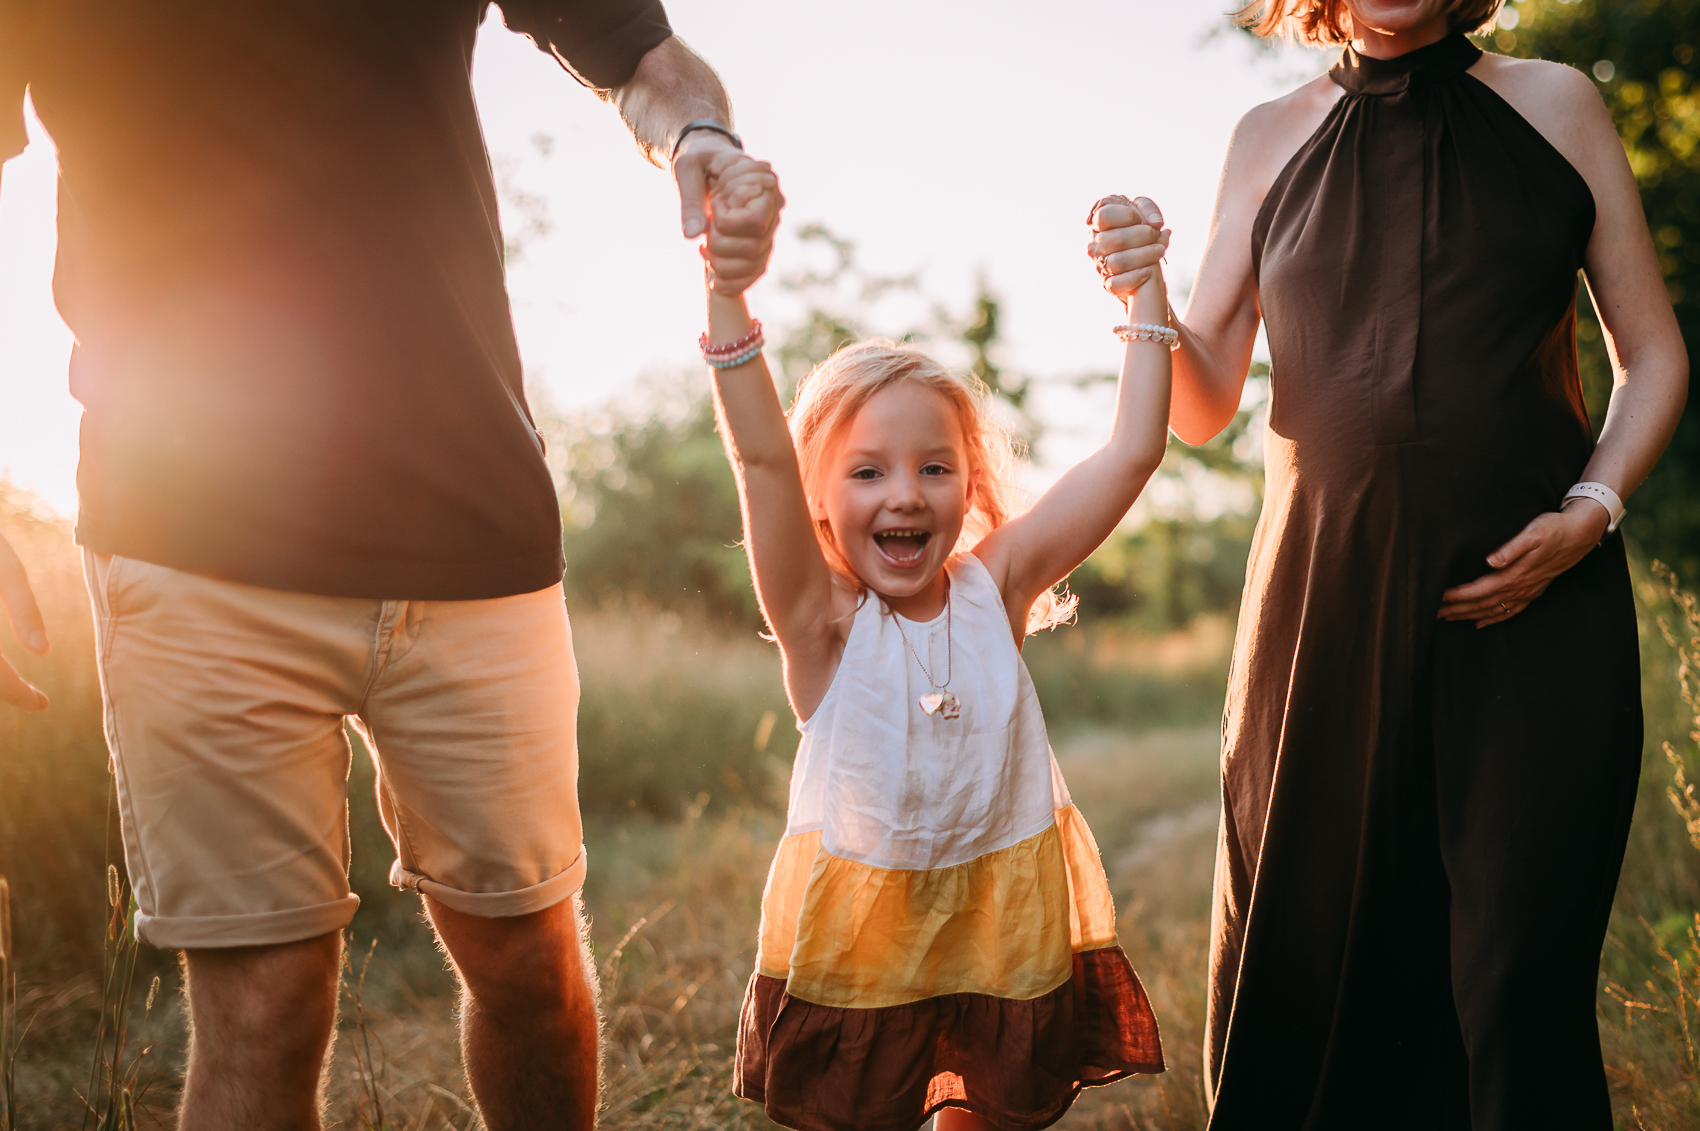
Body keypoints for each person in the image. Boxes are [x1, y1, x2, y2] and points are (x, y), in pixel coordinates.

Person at [0, 2, 780, 1127]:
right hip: (186, 539)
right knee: (261, 1009)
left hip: (468, 525)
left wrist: (700, 134)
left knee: (528, 969)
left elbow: (642, 58)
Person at [1089, 0, 1688, 1127]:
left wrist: (1590, 513)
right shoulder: (1266, 134)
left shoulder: (1555, 103)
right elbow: (1207, 403)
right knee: (1315, 971)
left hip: (1536, 615)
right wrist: (1144, 294)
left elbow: (1648, 354)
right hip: (1319, 611)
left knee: (1514, 981)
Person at [697, 169, 1169, 1131]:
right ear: (821, 500)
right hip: (867, 937)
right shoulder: (821, 623)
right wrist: (727, 296)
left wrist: (1146, 294)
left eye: (934, 467)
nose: (905, 495)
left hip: (999, 917)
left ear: (969, 482)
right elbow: (758, 459)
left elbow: (1130, 453)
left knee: (981, 1112)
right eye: (867, 471)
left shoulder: (995, 586)